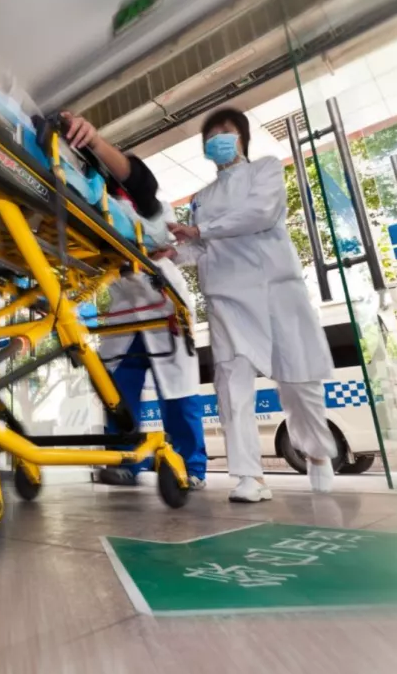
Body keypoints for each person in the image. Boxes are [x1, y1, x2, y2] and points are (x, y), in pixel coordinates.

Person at [166, 107, 337, 503]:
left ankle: (316, 451)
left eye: (224, 132)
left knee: (297, 381)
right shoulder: (201, 198)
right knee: (231, 384)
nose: (217, 140)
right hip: (226, 296)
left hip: (275, 288)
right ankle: (249, 476)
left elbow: (261, 214)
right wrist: (173, 252)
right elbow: (200, 247)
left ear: (242, 137)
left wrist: (200, 230)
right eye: (210, 136)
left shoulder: (266, 168)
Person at [63, 114, 208, 490]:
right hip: (124, 313)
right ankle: (125, 460)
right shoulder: (94, 205)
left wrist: (94, 140)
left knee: (179, 394)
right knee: (119, 392)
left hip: (163, 307)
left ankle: (191, 467)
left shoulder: (152, 208)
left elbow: (140, 181)